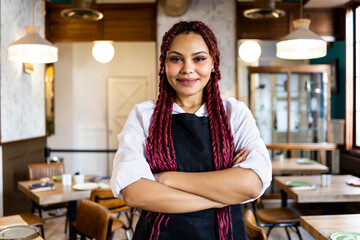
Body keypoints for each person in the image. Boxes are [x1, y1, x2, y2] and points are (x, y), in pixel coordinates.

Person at [110, 21, 271, 240]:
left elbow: (251, 185)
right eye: (176, 59)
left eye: (199, 59)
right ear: (164, 65)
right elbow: (134, 193)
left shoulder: (235, 114)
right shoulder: (144, 115)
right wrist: (224, 195)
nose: (187, 68)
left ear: (213, 64)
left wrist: (167, 179)